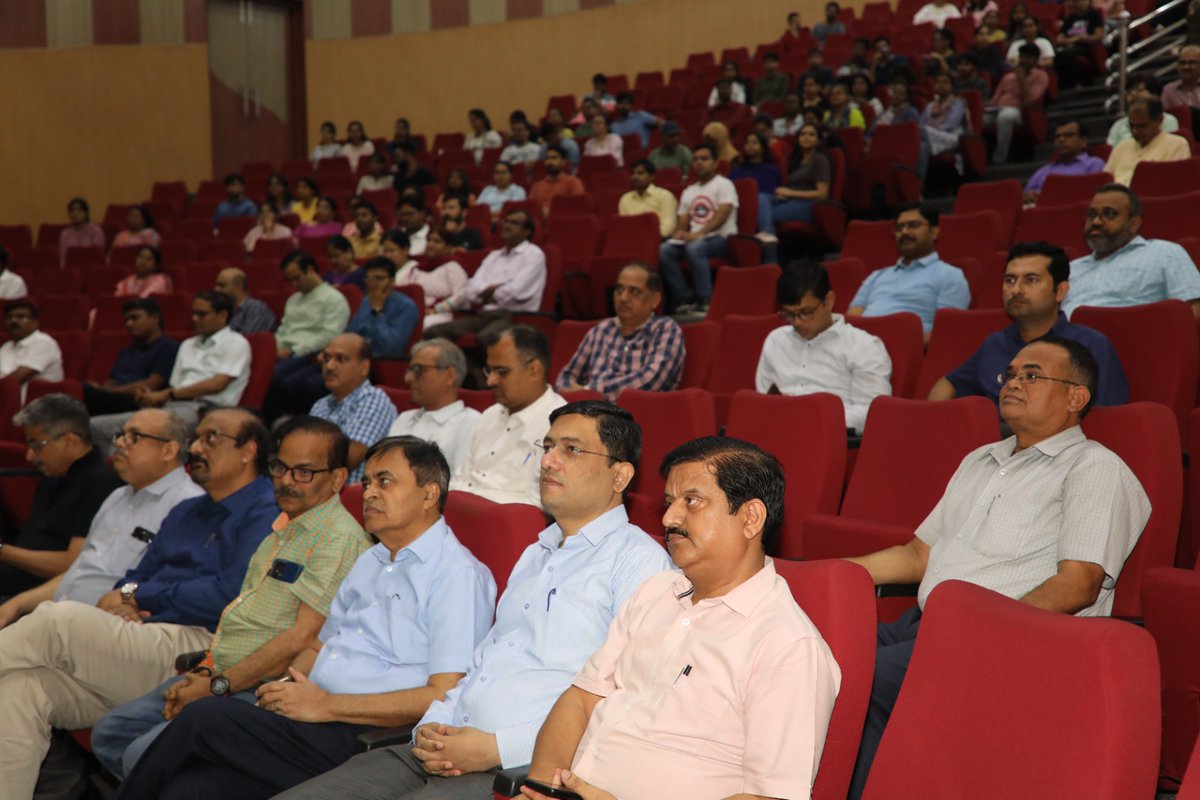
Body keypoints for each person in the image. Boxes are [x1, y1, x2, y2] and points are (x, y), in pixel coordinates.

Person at [274, 400, 673, 800]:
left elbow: (622, 702)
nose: (549, 461)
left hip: (514, 769)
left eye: (571, 449)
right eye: (547, 446)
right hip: (437, 746)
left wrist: (496, 748)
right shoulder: (536, 553)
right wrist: (432, 726)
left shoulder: (639, 563)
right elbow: (484, 663)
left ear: (619, 474)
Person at [845, 336, 1151, 799]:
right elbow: (918, 556)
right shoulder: (980, 460)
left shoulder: (1094, 469)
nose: (1012, 383)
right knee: (808, 649)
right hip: (924, 625)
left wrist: (984, 632)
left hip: (1020, 644)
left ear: (1076, 397)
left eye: (1032, 375)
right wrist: (832, 574)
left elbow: (1079, 585)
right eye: (1009, 374)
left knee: (857, 680)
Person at [112, 435, 496, 800]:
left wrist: (325, 704)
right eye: (367, 484)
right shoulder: (373, 558)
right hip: (311, 717)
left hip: (366, 735)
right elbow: (318, 645)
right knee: (189, 789)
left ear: (429, 494)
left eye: (385, 482)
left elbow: (442, 694)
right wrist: (283, 688)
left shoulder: (456, 575)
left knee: (204, 718)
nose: (371, 493)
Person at [522, 436, 841, 800]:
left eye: (692, 501)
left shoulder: (787, 645)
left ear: (750, 518)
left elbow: (770, 796)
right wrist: (542, 788)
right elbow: (581, 700)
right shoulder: (654, 592)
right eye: (670, 502)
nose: (668, 518)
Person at [0, 408, 278, 798]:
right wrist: (128, 598)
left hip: (200, 648)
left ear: (249, 450)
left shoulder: (267, 514)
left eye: (210, 438)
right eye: (196, 437)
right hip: (139, 641)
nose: (195, 447)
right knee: (20, 689)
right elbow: (134, 578)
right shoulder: (186, 511)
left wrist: (139, 596)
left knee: (56, 621)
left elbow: (227, 594)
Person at [90, 415, 369, 779]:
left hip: (260, 687)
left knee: (141, 756)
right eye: (280, 467)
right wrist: (204, 672)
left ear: (337, 479)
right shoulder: (282, 528)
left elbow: (298, 640)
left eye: (303, 472)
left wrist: (217, 687)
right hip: (219, 669)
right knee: (110, 733)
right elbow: (240, 617)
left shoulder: (336, 540)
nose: (286, 481)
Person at [0, 408, 200, 628]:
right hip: (59, 615)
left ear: (169, 450)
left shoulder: (189, 505)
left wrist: (125, 597)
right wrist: (18, 604)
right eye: (120, 436)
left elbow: (169, 586)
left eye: (134, 436)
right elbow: (79, 571)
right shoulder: (118, 496)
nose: (120, 444)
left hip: (111, 627)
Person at [929, 241, 1129, 405]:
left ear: (1060, 291)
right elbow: (949, 384)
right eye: (1010, 280)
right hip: (995, 446)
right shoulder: (995, 344)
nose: (1016, 290)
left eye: (1031, 280)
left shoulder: (1090, 345)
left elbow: (1107, 416)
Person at [89, 291, 253, 448]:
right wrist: (153, 396)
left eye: (202, 314)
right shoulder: (188, 344)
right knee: (95, 426)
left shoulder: (237, 343)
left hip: (206, 411)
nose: (195, 319)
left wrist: (168, 394)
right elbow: (176, 384)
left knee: (138, 430)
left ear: (223, 315)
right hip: (172, 405)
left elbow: (218, 384)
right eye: (193, 313)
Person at [0, 394, 123, 598]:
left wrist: (3, 551)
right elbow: (30, 542)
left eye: (37, 445)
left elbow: (73, 562)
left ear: (69, 440)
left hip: (37, 598)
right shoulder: (54, 478)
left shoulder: (101, 484)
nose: (29, 456)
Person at [758, 262, 892, 434]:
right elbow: (764, 399)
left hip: (831, 437)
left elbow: (873, 413)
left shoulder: (864, 346)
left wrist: (810, 415)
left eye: (805, 312)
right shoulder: (776, 340)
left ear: (828, 301)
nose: (797, 322)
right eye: (789, 314)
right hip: (777, 433)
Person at [452, 325, 566, 507]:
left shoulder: (560, 424)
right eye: (489, 371)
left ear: (534, 369)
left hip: (511, 528)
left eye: (502, 371)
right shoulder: (490, 414)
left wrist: (473, 504)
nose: (490, 381)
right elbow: (461, 478)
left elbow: (541, 504)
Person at [1063, 184, 1200, 318]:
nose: (1096, 222)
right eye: (1092, 215)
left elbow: (1193, 310)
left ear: (1134, 224)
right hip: (1061, 338)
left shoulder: (1165, 253)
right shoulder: (1071, 268)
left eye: (1109, 214)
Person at [556, 263, 686, 402]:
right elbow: (567, 376)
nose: (623, 298)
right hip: (589, 414)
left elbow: (652, 380)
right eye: (619, 289)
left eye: (634, 291)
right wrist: (568, 392)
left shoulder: (665, 329)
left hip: (638, 416)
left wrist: (590, 392)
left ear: (655, 300)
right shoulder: (601, 329)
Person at [848, 205, 971, 337]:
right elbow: (851, 322)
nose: (905, 232)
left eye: (913, 225)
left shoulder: (950, 275)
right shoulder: (877, 276)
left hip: (904, 350)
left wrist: (895, 341)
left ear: (934, 232)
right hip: (861, 348)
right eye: (899, 227)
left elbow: (945, 334)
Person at [425, 211, 546, 342]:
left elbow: (515, 291)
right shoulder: (494, 256)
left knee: (486, 338)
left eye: (514, 223)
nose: (506, 225)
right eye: (506, 221)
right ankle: (462, 363)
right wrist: (493, 289)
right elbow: (470, 290)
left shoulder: (534, 255)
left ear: (527, 231)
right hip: (483, 315)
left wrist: (484, 293)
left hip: (513, 317)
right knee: (434, 332)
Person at [262, 251, 352, 421]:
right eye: (290, 280)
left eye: (297, 278)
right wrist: (273, 348)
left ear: (310, 270)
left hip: (310, 354)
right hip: (284, 351)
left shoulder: (334, 299)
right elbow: (284, 329)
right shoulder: (293, 300)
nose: (294, 284)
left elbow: (329, 335)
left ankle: (274, 422)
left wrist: (293, 351)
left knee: (276, 377)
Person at [658, 144, 740, 315]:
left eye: (704, 159)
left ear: (715, 163)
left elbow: (722, 216)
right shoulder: (690, 190)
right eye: (696, 160)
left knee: (695, 248)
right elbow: (683, 219)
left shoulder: (724, 184)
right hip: (695, 238)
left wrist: (697, 235)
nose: (699, 163)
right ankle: (685, 298)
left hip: (721, 238)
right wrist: (681, 233)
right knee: (664, 251)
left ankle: (705, 301)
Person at [306, 334, 398, 485]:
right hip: (318, 492)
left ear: (364, 367)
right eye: (327, 358)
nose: (329, 366)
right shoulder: (321, 404)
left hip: (353, 501)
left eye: (341, 359)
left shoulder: (373, 400)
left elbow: (346, 459)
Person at [387, 340, 481, 473]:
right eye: (410, 370)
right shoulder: (404, 418)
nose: (408, 378)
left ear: (449, 376)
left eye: (418, 370)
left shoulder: (470, 422)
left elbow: (462, 482)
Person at [82, 299, 181, 416]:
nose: (129, 323)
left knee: (83, 391)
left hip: (138, 400)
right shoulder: (126, 350)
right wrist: (102, 389)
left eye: (135, 318)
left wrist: (107, 392)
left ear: (155, 318)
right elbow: (112, 381)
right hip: (113, 398)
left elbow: (152, 384)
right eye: (126, 320)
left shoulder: (168, 347)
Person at [758, 123, 832, 245]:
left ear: (818, 140)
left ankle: (767, 238)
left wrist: (790, 192)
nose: (806, 137)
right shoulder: (796, 160)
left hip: (810, 204)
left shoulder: (820, 160)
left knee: (768, 215)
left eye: (811, 134)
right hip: (790, 200)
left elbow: (822, 194)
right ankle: (767, 235)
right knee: (762, 198)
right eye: (803, 134)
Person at [388, 230, 469, 328]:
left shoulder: (452, 266)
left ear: (448, 247)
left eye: (437, 242)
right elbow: (407, 291)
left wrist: (436, 309)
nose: (431, 244)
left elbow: (461, 295)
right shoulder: (418, 269)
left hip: (444, 313)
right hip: (418, 311)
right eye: (429, 240)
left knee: (419, 325)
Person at [1104, 97, 1192, 186]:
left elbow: (1172, 183)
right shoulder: (1121, 146)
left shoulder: (1177, 144)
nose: (1135, 131)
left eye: (1141, 126)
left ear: (1159, 120)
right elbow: (1105, 180)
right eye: (1131, 126)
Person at [985, 44, 1049, 164]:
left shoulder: (1041, 76)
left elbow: (1030, 100)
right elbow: (995, 99)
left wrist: (1022, 79)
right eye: (1022, 57)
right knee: (979, 119)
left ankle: (999, 158)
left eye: (1028, 58)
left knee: (1005, 117)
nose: (1023, 61)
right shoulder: (1007, 76)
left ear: (1035, 60)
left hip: (1021, 111)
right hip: (998, 108)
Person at [347, 256, 419, 361]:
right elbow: (351, 334)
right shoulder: (365, 301)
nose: (372, 284)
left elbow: (391, 348)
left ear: (392, 281)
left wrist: (377, 311)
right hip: (356, 358)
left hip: (382, 362)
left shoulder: (406, 306)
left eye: (379, 278)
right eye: (368, 278)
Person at [1023, 120, 1107, 204]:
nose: (1061, 139)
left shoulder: (1094, 164)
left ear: (1083, 141)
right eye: (1057, 136)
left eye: (1068, 135)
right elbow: (1025, 196)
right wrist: (1029, 197)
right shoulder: (1043, 170)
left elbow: (1092, 195)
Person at [0, 300, 64, 401]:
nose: (13, 321)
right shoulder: (7, 346)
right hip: (7, 402)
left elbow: (16, 379)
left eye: (21, 317)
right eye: (9, 317)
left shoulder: (44, 343)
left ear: (35, 321)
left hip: (38, 408)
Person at [1109, 73, 1180, 145]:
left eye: (1139, 90)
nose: (1133, 94)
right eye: (1129, 91)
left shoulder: (1168, 120)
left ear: (1155, 95)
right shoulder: (1118, 125)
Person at [618, 160, 679, 238]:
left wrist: (647, 237)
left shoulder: (665, 196)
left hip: (659, 240)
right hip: (632, 241)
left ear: (651, 177)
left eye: (640, 173)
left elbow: (668, 226)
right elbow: (623, 227)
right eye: (633, 173)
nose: (635, 176)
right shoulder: (625, 199)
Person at [1055, 0, 1104, 89]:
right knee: (1059, 53)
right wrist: (1075, 39)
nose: (1081, 3)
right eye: (1078, 1)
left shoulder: (1094, 15)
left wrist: (1087, 38)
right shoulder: (1070, 18)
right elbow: (1059, 39)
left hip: (1085, 46)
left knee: (1068, 54)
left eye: (1083, 1)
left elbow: (1098, 36)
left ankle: (1076, 83)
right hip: (1070, 45)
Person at [921, 72, 968, 161]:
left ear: (952, 86)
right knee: (921, 146)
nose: (941, 85)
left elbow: (951, 124)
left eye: (945, 82)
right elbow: (922, 123)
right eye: (938, 82)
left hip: (951, 136)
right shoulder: (930, 105)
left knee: (923, 131)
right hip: (931, 136)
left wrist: (931, 130)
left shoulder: (958, 103)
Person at [215, 268, 276, 334]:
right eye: (217, 285)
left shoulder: (256, 308)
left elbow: (250, 340)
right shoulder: (223, 310)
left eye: (222, 285)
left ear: (238, 287)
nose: (216, 289)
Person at [731, 131, 783, 201]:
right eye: (747, 143)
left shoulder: (771, 170)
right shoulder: (739, 169)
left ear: (763, 147)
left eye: (754, 143)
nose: (750, 146)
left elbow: (771, 192)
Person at [59, 196, 105, 264]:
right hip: (71, 267)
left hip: (91, 268)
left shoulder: (96, 231)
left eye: (79, 210)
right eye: (72, 211)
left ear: (86, 213)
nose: (74, 214)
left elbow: (97, 256)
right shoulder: (65, 234)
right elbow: (63, 258)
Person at [1162, 45, 1200, 123]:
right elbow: (1164, 119)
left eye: (1192, 62)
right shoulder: (1169, 90)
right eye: (1182, 63)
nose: (1186, 67)